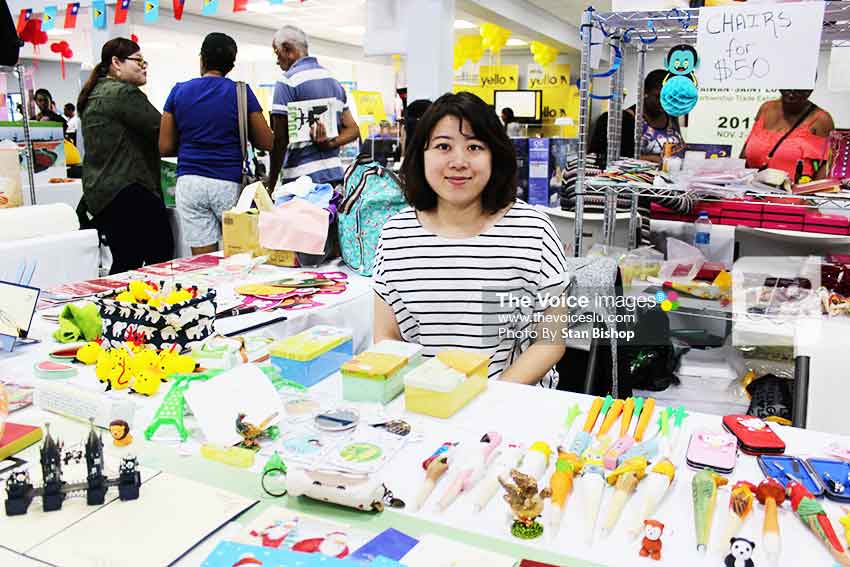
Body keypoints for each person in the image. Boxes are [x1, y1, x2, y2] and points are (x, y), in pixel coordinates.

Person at [373, 92, 569, 387]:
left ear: (494, 156)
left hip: (509, 398)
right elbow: (386, 336)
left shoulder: (533, 230)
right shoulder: (396, 235)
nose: (459, 162)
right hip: (421, 400)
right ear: (421, 155)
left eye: (474, 147)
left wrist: (492, 399)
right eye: (443, 146)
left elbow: (550, 341)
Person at [159, 33, 273, 255]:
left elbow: (164, 147)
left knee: (204, 261)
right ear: (231, 65)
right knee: (240, 255)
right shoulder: (241, 92)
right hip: (227, 182)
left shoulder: (179, 91)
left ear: (202, 59)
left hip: (189, 182)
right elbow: (266, 142)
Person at [77, 37, 173, 274]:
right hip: (130, 188)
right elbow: (161, 130)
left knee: (126, 260)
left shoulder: (93, 93)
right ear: (116, 63)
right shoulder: (123, 93)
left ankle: (122, 299)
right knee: (160, 256)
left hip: (102, 193)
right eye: (138, 60)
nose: (143, 66)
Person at [267, 25, 360, 192]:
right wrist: (330, 143)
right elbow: (353, 129)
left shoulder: (287, 82)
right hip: (334, 178)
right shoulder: (333, 81)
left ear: (287, 49)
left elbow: (280, 140)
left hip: (300, 183)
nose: (277, 60)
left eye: (276, 52)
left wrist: (271, 182)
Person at [589, 69, 684, 166]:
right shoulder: (623, 121)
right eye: (658, 97)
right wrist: (652, 159)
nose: (664, 103)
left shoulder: (671, 118)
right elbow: (607, 158)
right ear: (645, 92)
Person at [741, 89, 835, 182]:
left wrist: (811, 190)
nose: (792, 90)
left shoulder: (821, 119)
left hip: (794, 190)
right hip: (751, 189)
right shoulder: (766, 108)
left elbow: (826, 166)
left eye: (800, 86)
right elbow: (745, 153)